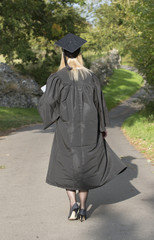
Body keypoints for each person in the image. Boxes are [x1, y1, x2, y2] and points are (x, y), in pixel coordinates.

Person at [37, 33, 127, 222]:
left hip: (66, 127)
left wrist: (49, 105)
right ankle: (84, 209)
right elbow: (99, 103)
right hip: (89, 126)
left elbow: (47, 104)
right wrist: (102, 127)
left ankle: (73, 205)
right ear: (79, 54)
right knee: (86, 164)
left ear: (63, 55)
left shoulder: (57, 78)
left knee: (67, 163)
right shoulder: (91, 77)